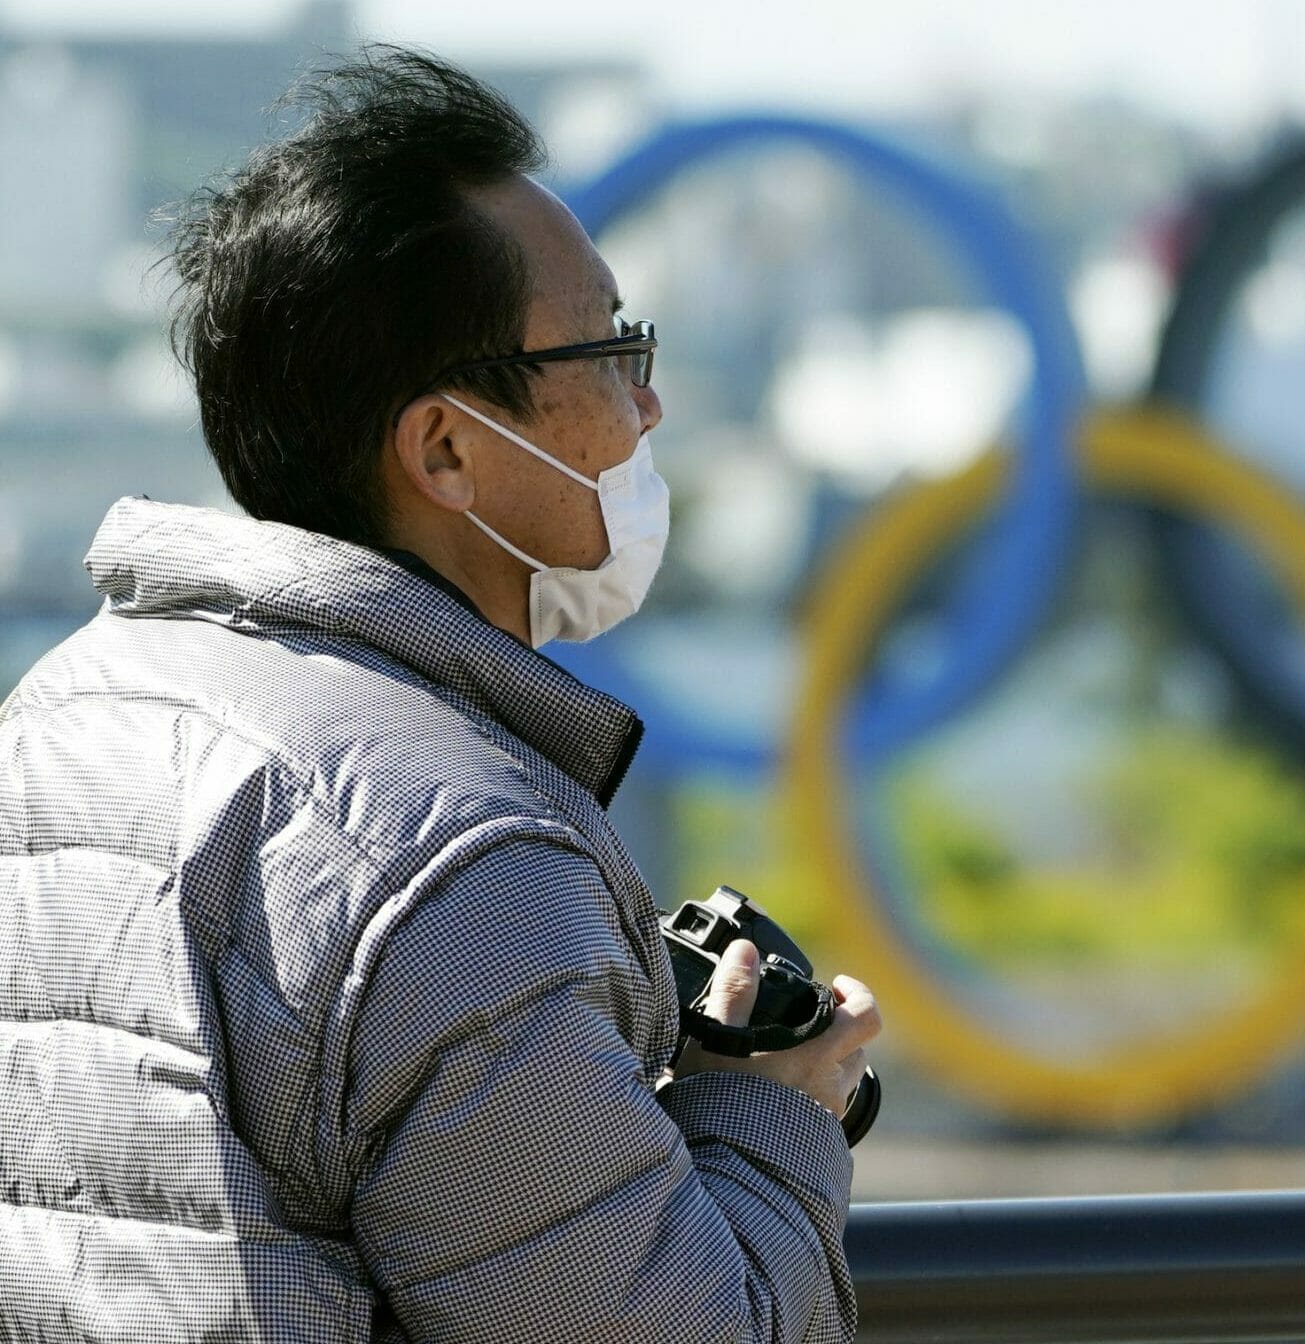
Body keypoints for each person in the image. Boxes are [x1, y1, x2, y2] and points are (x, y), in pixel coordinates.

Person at [0, 46, 879, 1341]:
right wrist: (769, 1117)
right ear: (449, 449)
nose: (648, 404)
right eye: (611, 349)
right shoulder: (456, 856)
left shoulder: (64, 711)